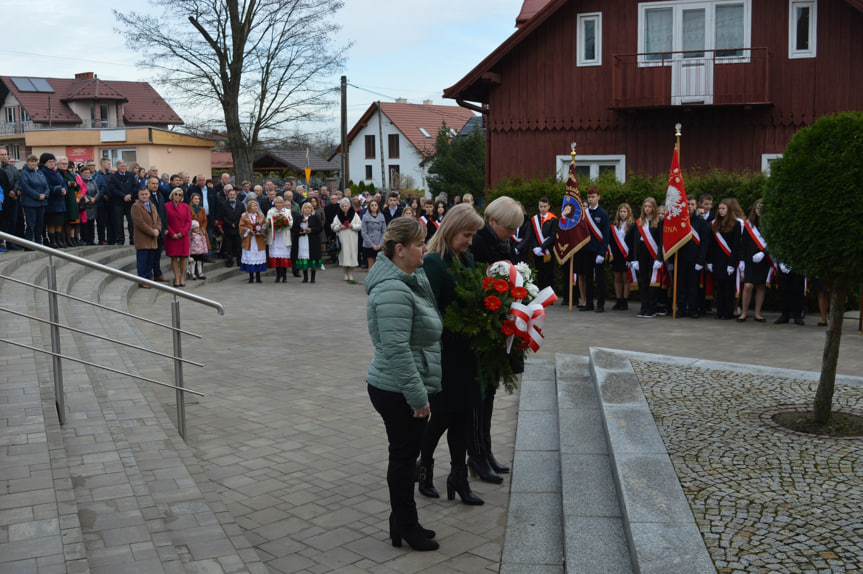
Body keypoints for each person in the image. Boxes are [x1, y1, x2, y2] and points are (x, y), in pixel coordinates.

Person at [366, 217, 441, 552]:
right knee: (403, 458)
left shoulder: (406, 280)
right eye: (420, 244)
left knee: (407, 456)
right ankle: (404, 524)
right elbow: (396, 349)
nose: (425, 249)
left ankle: (404, 521)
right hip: (397, 388)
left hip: (402, 384)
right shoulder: (393, 289)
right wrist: (417, 396)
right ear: (400, 250)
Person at [420, 203, 486, 506]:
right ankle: (424, 466)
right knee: (443, 415)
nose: (471, 241)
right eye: (467, 234)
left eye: (473, 236)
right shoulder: (433, 262)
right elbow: (427, 309)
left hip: (467, 352)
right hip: (445, 353)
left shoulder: (467, 259)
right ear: (451, 230)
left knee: (463, 416)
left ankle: (458, 476)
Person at [468, 196, 524, 482]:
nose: (513, 235)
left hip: (497, 328)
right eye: (509, 228)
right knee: (480, 396)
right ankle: (476, 456)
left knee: (488, 394)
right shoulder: (478, 243)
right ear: (493, 221)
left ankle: (485, 451)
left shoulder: (501, 242)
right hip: (483, 328)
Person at [674, 197, 711, 318]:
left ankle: (693, 309)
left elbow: (705, 243)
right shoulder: (678, 221)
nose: (689, 206)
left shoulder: (701, 222)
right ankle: (681, 308)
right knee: (681, 285)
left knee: (693, 286)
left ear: (696, 206)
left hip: (695, 260)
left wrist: (700, 260)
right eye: (687, 204)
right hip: (680, 258)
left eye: (692, 204)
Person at [576, 186, 610, 312]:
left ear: (598, 197)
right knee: (588, 278)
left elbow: (606, 235)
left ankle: (600, 304)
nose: (591, 199)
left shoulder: (603, 214)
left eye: (593, 197)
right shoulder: (584, 214)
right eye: (589, 197)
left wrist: (602, 253)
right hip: (586, 251)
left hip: (598, 252)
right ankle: (589, 303)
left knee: (600, 279)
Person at [630, 197, 664, 318]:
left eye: (649, 207)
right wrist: (634, 259)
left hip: (653, 255)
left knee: (653, 282)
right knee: (643, 281)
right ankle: (643, 307)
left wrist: (660, 258)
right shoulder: (639, 222)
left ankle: (652, 308)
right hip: (642, 254)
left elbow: (661, 242)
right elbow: (634, 242)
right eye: (645, 207)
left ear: (654, 208)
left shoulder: (659, 222)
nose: (647, 209)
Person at [709, 199, 741, 320]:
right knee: (720, 287)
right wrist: (710, 261)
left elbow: (736, 245)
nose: (721, 211)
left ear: (729, 210)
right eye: (720, 209)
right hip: (717, 260)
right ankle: (720, 311)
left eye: (724, 209)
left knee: (729, 288)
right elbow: (712, 244)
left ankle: (728, 312)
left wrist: (732, 263)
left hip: (729, 260)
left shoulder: (735, 224)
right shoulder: (715, 224)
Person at [738, 199, 769, 322]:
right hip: (750, 259)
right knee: (748, 285)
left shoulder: (769, 224)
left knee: (761, 286)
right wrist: (741, 260)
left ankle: (757, 314)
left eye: (761, 207)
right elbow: (743, 244)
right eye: (757, 207)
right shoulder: (748, 225)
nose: (759, 210)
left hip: (763, 259)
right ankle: (744, 313)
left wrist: (763, 253)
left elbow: (772, 243)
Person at [130, 186, 162, 288]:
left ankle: (149, 278)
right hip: (143, 239)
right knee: (143, 261)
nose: (144, 196)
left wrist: (158, 229)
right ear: (138, 196)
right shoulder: (136, 206)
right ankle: (142, 280)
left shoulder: (152, 205)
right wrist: (152, 232)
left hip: (153, 239)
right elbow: (140, 224)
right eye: (142, 194)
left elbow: (158, 219)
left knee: (150, 260)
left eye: (146, 194)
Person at [527, 197, 557, 290]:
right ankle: (539, 293)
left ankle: (549, 296)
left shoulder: (553, 219)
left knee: (549, 273)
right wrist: (536, 247)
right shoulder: (534, 219)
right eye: (541, 206)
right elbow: (532, 235)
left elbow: (553, 236)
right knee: (539, 273)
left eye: (544, 206)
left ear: (548, 206)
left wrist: (542, 247)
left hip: (548, 251)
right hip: (537, 251)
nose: (542, 208)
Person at [609, 202, 636, 310]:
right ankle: (618, 299)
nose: (622, 214)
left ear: (628, 213)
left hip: (626, 255)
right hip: (616, 255)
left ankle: (625, 301)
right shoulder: (615, 225)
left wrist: (631, 258)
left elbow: (633, 242)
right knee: (617, 277)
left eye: (625, 211)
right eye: (621, 211)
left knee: (626, 278)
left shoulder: (632, 226)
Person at [164, 187, 192, 287]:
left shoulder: (186, 206)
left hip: (183, 236)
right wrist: (172, 234)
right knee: (174, 257)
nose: (178, 196)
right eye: (176, 194)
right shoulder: (166, 206)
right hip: (172, 236)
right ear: (172, 195)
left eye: (180, 195)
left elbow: (189, 221)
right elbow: (165, 221)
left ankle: (182, 277)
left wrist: (182, 233)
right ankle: (176, 278)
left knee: (183, 257)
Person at [19, 155, 48, 247]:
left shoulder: (40, 172)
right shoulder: (25, 173)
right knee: (31, 224)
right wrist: (37, 196)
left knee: (40, 224)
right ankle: (29, 244)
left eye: (35, 161)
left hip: (42, 203)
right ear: (27, 162)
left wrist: (45, 194)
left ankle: (39, 242)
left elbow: (46, 186)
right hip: (30, 203)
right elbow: (26, 187)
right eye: (31, 161)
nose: (33, 163)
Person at [291, 201, 323, 283]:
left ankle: (313, 278)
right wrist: (300, 231)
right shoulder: (299, 218)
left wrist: (311, 230)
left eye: (309, 208)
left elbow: (320, 228)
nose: (307, 209)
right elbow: (294, 228)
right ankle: (305, 277)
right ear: (303, 209)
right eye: (305, 208)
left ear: (311, 209)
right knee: (303, 258)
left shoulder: (315, 217)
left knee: (312, 259)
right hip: (302, 240)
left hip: (312, 241)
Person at [331, 197, 362, 281]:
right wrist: (339, 227)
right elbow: (333, 226)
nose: (345, 207)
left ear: (349, 206)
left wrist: (352, 226)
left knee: (352, 256)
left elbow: (360, 225)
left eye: (346, 206)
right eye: (343, 206)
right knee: (344, 256)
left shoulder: (354, 214)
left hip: (352, 238)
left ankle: (351, 273)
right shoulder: (338, 216)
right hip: (342, 238)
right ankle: (345, 273)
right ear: (341, 207)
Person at [40, 154, 67, 249]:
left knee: (59, 222)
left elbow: (63, 183)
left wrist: (64, 189)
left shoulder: (56, 172)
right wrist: (58, 190)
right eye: (50, 162)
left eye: (53, 161)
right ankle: (53, 240)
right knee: (52, 222)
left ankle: (58, 240)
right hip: (51, 201)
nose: (52, 163)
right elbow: (47, 185)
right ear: (45, 163)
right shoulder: (43, 172)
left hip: (60, 201)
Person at [108, 160, 138, 245]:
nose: (123, 168)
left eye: (124, 166)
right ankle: (120, 240)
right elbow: (112, 189)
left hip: (130, 201)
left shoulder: (131, 175)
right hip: (118, 202)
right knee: (118, 222)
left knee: (131, 222)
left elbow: (135, 187)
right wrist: (123, 195)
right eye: (121, 166)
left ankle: (133, 239)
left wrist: (130, 195)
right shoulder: (113, 177)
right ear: (118, 167)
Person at [239, 198, 267, 283]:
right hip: (249, 239)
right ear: (249, 207)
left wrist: (262, 230)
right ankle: (251, 277)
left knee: (258, 257)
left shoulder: (261, 216)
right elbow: (241, 227)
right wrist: (248, 230)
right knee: (250, 257)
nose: (256, 207)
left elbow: (265, 226)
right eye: (254, 206)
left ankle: (258, 277)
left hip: (259, 239)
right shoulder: (244, 216)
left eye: (256, 205)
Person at [265, 195, 293, 283]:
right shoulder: (271, 211)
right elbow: (267, 222)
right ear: (274, 203)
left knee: (284, 258)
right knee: (277, 258)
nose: (279, 204)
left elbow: (291, 222)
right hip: (275, 237)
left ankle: (284, 276)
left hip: (284, 236)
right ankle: (277, 276)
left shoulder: (287, 211)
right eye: (277, 202)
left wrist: (284, 225)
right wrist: (274, 225)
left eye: (281, 202)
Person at [219, 187, 244, 267]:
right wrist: (230, 223)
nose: (232, 196)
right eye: (230, 195)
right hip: (228, 228)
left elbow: (242, 215)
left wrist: (236, 223)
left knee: (238, 246)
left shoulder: (241, 204)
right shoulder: (224, 204)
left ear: (236, 195)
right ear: (228, 195)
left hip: (238, 228)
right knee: (228, 246)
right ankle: (229, 261)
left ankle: (239, 261)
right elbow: (222, 216)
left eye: (233, 194)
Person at [362, 198, 386, 272]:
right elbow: (363, 232)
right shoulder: (365, 217)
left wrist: (380, 244)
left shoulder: (381, 216)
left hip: (379, 243)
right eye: (372, 205)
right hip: (369, 244)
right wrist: (372, 245)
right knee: (371, 266)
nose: (374, 207)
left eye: (375, 205)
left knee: (378, 266)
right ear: (369, 206)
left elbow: (384, 231)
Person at [78, 165, 98, 245]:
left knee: (91, 223)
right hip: (85, 204)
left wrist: (94, 199)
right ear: (81, 173)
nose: (87, 174)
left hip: (93, 205)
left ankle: (91, 240)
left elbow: (97, 191)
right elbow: (82, 192)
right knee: (84, 224)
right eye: (85, 172)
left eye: (88, 172)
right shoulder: (81, 182)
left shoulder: (93, 181)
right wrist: (88, 199)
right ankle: (84, 239)